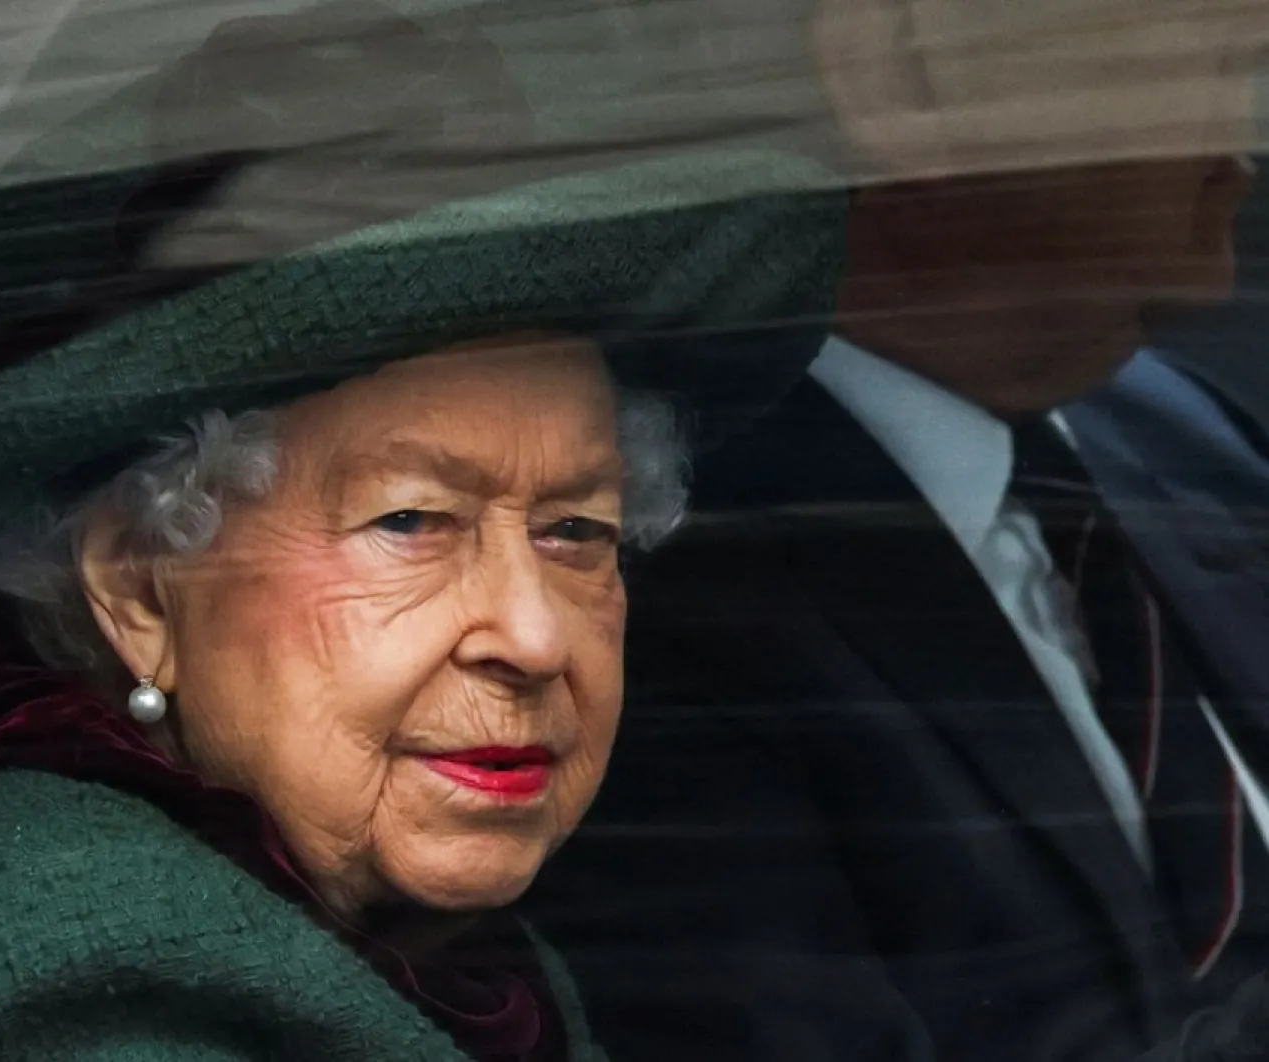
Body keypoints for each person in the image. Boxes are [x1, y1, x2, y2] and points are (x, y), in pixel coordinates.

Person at [0, 4, 843, 1059]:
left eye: (576, 530)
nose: (534, 637)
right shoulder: (82, 1000)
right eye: (412, 521)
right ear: (140, 588)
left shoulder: (417, 958)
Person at [530, 42, 1269, 1062]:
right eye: (1203, 54)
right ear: (902, 81)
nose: (1243, 144)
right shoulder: (644, 583)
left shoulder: (1178, 433)